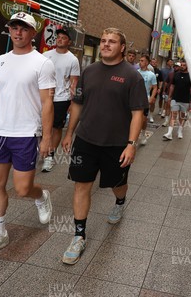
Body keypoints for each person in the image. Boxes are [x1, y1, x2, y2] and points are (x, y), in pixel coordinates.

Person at [0, 12, 56, 262]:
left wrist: (47, 137)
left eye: (24, 29)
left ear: (32, 33)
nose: (18, 33)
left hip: (26, 134)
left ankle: (41, 196)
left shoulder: (42, 63)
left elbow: (47, 102)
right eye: (14, 28)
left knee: (22, 188)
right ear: (10, 30)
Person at [61, 28, 147, 265]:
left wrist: (131, 144)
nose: (106, 44)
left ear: (122, 48)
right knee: (81, 186)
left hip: (117, 144)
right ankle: (79, 235)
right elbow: (77, 104)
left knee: (117, 184)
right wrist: (69, 133)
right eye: (103, 41)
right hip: (86, 140)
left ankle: (120, 202)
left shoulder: (132, 76)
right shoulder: (89, 71)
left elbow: (137, 113)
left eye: (112, 42)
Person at [41, 27, 80, 172]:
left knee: (56, 127)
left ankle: (49, 157)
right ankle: (40, 150)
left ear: (69, 42)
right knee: (41, 125)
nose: (60, 39)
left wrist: (72, 102)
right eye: (58, 37)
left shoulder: (72, 59)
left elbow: (74, 82)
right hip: (44, 96)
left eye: (64, 38)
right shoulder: (45, 55)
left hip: (61, 98)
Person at [163, 60, 191, 140]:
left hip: (185, 100)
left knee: (182, 116)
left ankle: (180, 131)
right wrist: (170, 96)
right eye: (181, 65)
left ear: (187, 66)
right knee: (173, 115)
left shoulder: (190, 76)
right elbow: (172, 86)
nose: (182, 66)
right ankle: (169, 133)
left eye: (184, 65)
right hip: (175, 98)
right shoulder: (176, 75)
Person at [138, 54, 158, 145]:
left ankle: (142, 135)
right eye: (140, 60)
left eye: (142, 61)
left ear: (147, 62)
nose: (140, 62)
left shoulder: (151, 75)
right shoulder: (136, 72)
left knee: (144, 119)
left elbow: (155, 87)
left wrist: (152, 97)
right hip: (134, 99)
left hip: (145, 98)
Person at [162, 62, 181, 126]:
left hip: (177, 94)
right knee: (167, 106)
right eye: (175, 66)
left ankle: (174, 120)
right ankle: (166, 121)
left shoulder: (181, 75)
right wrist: (164, 90)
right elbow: (166, 83)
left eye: (177, 66)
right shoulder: (170, 74)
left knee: (175, 108)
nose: (175, 67)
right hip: (168, 93)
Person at [149, 57, 162, 122]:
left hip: (154, 89)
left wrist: (159, 88)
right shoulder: (148, 69)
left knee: (153, 103)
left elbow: (160, 81)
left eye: (155, 62)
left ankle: (151, 115)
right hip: (147, 88)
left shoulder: (158, 71)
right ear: (150, 62)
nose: (154, 63)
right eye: (152, 62)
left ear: (157, 63)